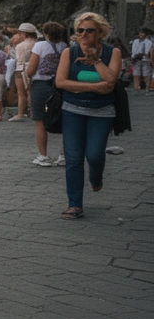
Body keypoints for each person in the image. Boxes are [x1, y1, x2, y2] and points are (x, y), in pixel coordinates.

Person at [54, 12, 122, 219]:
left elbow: (111, 82)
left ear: (100, 33)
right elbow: (61, 82)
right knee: (73, 158)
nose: (83, 34)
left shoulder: (113, 53)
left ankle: (96, 176)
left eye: (89, 30)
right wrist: (94, 87)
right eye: (79, 30)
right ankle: (74, 204)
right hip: (72, 110)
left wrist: (96, 61)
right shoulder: (69, 52)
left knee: (94, 154)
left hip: (102, 112)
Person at [27, 22, 69, 166]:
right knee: (63, 119)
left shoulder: (40, 46)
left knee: (40, 120)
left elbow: (31, 69)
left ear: (45, 33)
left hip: (41, 84)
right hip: (59, 85)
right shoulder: (65, 47)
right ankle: (63, 155)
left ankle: (43, 155)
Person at [9, 24, 39, 120]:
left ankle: (20, 113)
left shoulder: (20, 46)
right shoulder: (37, 44)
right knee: (31, 91)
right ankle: (33, 111)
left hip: (21, 69)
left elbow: (19, 59)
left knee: (21, 93)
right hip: (35, 68)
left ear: (24, 33)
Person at [131, 28, 152, 93]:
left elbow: (147, 51)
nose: (141, 35)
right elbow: (134, 49)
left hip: (145, 59)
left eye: (143, 34)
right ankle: (136, 88)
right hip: (137, 59)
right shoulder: (136, 41)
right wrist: (133, 56)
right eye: (140, 34)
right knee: (136, 74)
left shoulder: (148, 42)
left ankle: (147, 87)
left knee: (146, 74)